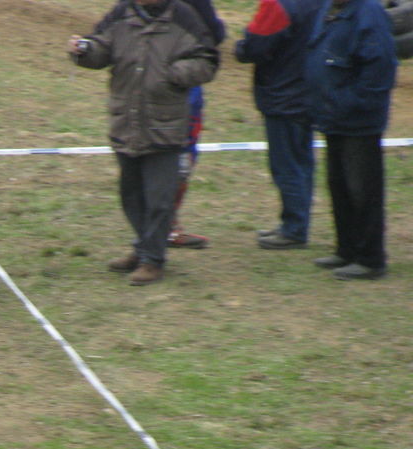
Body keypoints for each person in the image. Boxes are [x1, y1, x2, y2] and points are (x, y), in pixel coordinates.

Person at [68, 0, 220, 286]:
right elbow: (101, 46)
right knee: (131, 195)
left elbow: (208, 60)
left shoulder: (183, 17)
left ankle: (153, 260)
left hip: (165, 124)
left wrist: (174, 74)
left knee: (159, 199)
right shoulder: (121, 13)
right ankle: (143, 249)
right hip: (127, 120)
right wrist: (84, 50)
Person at [306, 0, 396, 280]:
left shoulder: (369, 14)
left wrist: (350, 102)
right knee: (340, 186)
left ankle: (370, 259)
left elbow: (380, 68)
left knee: (362, 190)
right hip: (334, 117)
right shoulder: (331, 9)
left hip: (358, 121)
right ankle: (346, 250)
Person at [235, 0, 321, 251]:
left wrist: (242, 45)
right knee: (302, 161)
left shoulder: (277, 4)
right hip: (310, 90)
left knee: (286, 165)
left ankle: (294, 229)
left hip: (283, 94)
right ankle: (296, 223)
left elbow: (254, 47)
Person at [168, 0, 226, 250]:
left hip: (142, 80)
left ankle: (161, 227)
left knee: (152, 152)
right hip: (182, 83)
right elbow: (215, 33)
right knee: (180, 155)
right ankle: (165, 227)